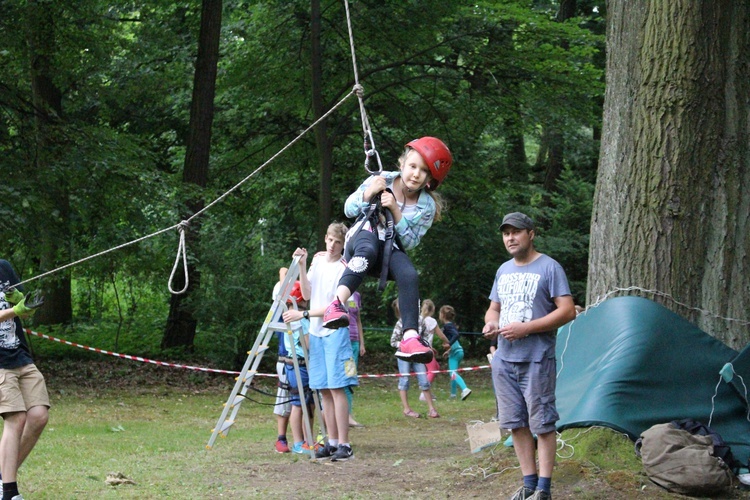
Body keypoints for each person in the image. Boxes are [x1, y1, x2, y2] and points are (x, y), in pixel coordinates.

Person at [320, 137, 453, 365]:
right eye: (412, 166)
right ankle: (336, 304)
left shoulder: (426, 206)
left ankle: (410, 336)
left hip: (390, 249)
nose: (415, 174)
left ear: (430, 179)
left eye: (423, 171)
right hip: (363, 237)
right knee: (368, 249)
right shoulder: (382, 179)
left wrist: (394, 209)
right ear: (402, 164)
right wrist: (368, 193)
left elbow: (410, 242)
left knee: (409, 273)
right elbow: (348, 208)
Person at [482, 213, 576, 500]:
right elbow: (494, 309)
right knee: (515, 422)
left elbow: (568, 310)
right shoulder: (503, 270)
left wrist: (527, 328)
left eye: (516, 232)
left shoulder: (550, 267)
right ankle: (528, 484)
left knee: (542, 423)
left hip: (537, 358)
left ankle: (544, 489)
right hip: (504, 360)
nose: (510, 238)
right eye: (506, 233)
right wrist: (491, 324)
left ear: (531, 234)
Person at [282, 223, 358, 462]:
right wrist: (303, 267)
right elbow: (306, 294)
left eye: (338, 242)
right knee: (323, 389)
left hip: (335, 332)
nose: (333, 246)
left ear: (343, 243)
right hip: (316, 333)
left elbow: (335, 305)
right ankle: (332, 442)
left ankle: (345, 444)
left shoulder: (346, 268)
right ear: (325, 238)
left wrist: (303, 315)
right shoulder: (317, 261)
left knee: (337, 388)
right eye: (330, 240)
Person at [0, 260, 49, 500]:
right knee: (16, 417)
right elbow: (16, 310)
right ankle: (9, 492)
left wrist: (25, 304)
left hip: (20, 355)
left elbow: (24, 311)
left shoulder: (4, 267)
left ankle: (1, 477)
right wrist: (15, 310)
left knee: (39, 415)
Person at [281, 283, 316, 455]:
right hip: (300, 365)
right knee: (299, 404)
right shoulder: (301, 320)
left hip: (296, 364)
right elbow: (308, 343)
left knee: (307, 403)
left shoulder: (288, 316)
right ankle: (298, 442)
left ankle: (308, 441)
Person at [390, 299, 439, 419]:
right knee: (405, 380)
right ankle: (407, 409)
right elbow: (393, 341)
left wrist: (427, 347)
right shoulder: (400, 323)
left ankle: (432, 409)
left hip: (418, 355)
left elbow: (426, 335)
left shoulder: (420, 320)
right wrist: (402, 345)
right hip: (404, 356)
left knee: (424, 380)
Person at [271, 267, 292, 453]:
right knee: (284, 400)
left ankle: (305, 439)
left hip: (304, 359)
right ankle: (281, 438)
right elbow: (282, 294)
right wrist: (283, 274)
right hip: (285, 359)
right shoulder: (280, 307)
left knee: (306, 401)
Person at [438, 305, 472, 401]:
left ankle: (465, 389)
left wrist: (449, 344)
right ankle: (453, 395)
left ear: (442, 315)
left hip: (456, 352)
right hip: (457, 351)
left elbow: (456, 335)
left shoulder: (447, 326)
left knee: (452, 373)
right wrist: (449, 350)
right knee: (453, 373)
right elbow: (455, 339)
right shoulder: (451, 325)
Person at [419, 299, 449, 400]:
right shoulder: (431, 321)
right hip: (426, 350)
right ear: (433, 309)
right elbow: (441, 335)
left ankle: (427, 392)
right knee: (433, 369)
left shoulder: (418, 319)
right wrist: (448, 342)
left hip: (418, 347)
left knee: (436, 366)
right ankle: (424, 393)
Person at [345, 291, 365, 428]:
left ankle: (348, 414)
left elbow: (358, 320)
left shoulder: (357, 295)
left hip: (354, 342)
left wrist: (361, 343)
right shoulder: (338, 290)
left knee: (350, 378)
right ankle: (344, 416)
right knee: (343, 379)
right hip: (342, 341)